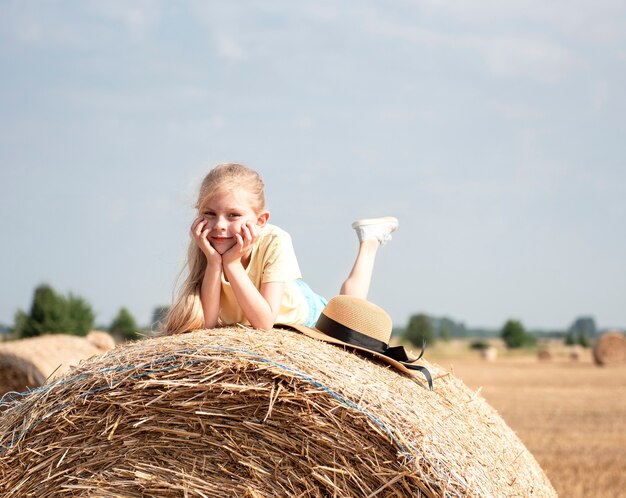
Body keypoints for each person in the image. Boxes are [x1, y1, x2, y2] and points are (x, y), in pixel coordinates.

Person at [163, 163, 398, 335]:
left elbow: (264, 322)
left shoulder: (275, 240)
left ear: (261, 220)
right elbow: (209, 325)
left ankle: (369, 242)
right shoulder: (207, 248)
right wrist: (215, 263)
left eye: (233, 215)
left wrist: (232, 264)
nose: (219, 225)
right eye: (209, 214)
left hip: (307, 314)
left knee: (349, 316)